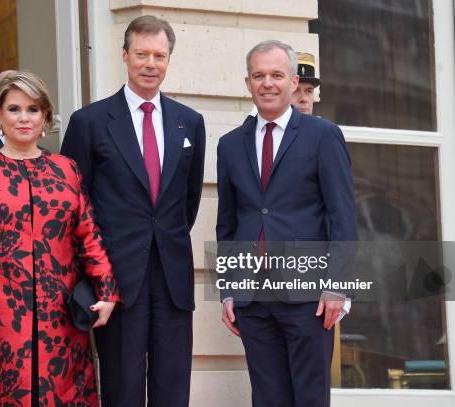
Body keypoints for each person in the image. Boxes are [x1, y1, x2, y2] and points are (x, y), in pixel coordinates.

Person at [0, 71, 120, 406]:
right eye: (14, 109)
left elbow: (88, 234)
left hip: (60, 322)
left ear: (45, 117)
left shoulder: (66, 170)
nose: (23, 118)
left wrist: (107, 290)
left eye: (33, 109)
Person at [61, 15, 205, 407]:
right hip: (115, 281)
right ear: (125, 55)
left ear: (169, 59)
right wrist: (92, 275)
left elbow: (186, 204)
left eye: (159, 55)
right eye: (142, 54)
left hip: (173, 278)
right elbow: (74, 207)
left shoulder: (190, 122)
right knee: (122, 389)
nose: (150, 64)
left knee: (173, 389)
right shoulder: (89, 122)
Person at [216, 40, 356, 406]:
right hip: (253, 298)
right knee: (267, 398)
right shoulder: (230, 145)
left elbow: (343, 216)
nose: (268, 83)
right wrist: (229, 288)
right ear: (248, 82)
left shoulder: (323, 136)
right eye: (259, 76)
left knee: (309, 397)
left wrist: (338, 285)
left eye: (277, 75)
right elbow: (227, 224)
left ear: (294, 83)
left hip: (308, 297)